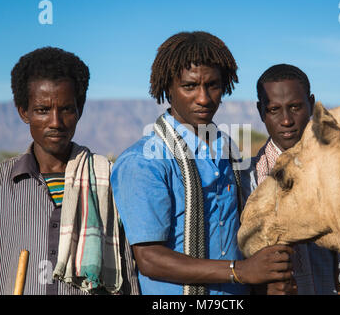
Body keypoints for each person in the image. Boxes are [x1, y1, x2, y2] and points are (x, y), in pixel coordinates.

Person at [111, 31, 295, 295]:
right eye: (189, 86)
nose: (204, 98)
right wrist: (240, 272)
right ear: (167, 88)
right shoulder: (144, 162)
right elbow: (149, 259)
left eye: (213, 85)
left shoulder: (229, 155)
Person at [0, 47, 139, 295]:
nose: (55, 122)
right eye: (42, 110)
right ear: (23, 112)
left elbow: (127, 274)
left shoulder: (109, 179)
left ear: (80, 109)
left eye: (66, 109)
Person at [241, 63, 340, 295]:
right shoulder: (247, 181)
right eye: (274, 110)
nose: (287, 120)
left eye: (295, 107)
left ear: (311, 104)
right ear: (261, 111)